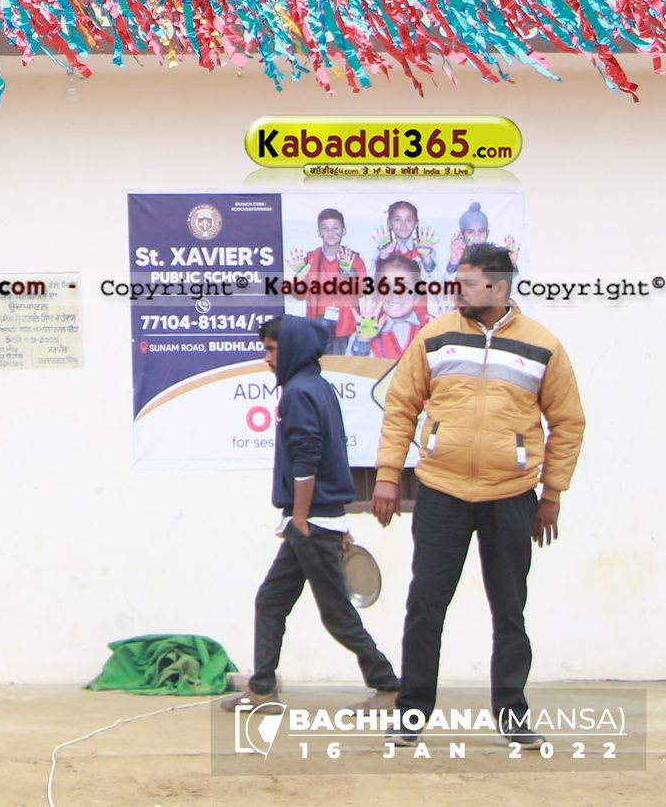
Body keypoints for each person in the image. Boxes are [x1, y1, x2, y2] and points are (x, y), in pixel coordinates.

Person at [371, 244, 585, 745]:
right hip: (441, 492)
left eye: (468, 283)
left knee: (509, 611)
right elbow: (401, 406)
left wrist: (552, 492)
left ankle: (512, 715)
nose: (458, 291)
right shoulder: (435, 336)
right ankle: (411, 714)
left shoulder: (543, 345)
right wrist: (387, 474)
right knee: (425, 606)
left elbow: (568, 422)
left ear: (498, 286)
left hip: (511, 495)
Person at [224, 315, 403, 713]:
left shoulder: (298, 392)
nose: (267, 358)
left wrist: (302, 518)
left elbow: (307, 457)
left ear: (291, 349)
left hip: (311, 523)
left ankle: (389, 686)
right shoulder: (318, 387)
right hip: (317, 520)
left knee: (337, 615)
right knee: (271, 600)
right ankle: (263, 689)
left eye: (272, 349)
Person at [292, 207, 370, 338]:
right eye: (325, 229)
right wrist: (299, 279)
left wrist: (350, 272)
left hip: (346, 325)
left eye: (335, 228)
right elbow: (299, 295)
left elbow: (362, 291)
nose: (330, 233)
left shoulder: (354, 259)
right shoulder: (310, 259)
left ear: (344, 231)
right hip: (316, 325)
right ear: (319, 233)